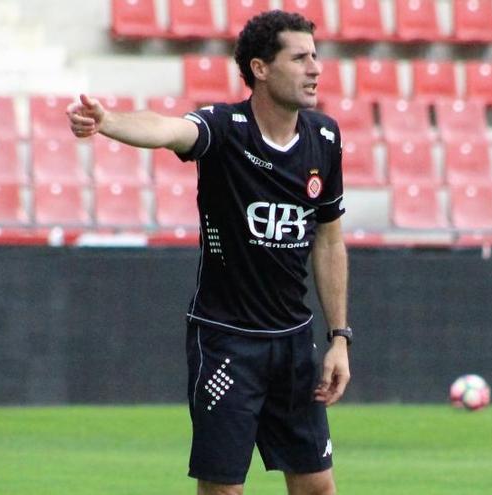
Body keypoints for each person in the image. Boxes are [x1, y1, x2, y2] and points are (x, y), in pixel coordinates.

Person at [67, 10, 351, 495]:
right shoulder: (225, 128)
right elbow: (169, 129)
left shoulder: (324, 138)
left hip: (294, 342)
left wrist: (339, 336)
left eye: (316, 56)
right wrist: (109, 121)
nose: (315, 68)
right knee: (223, 490)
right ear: (260, 68)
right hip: (227, 343)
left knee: (318, 487)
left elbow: (329, 238)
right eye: (300, 57)